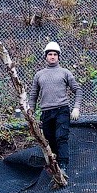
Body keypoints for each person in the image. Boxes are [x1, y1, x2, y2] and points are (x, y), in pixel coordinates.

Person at [28, 41, 81, 170]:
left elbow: (78, 90)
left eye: (55, 54)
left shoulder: (65, 73)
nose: (52, 56)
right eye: (50, 54)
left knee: (61, 137)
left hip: (62, 110)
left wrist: (76, 108)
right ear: (45, 56)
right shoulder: (39, 75)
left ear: (58, 56)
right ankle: (53, 164)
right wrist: (30, 112)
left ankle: (63, 166)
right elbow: (33, 95)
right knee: (49, 139)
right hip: (46, 112)